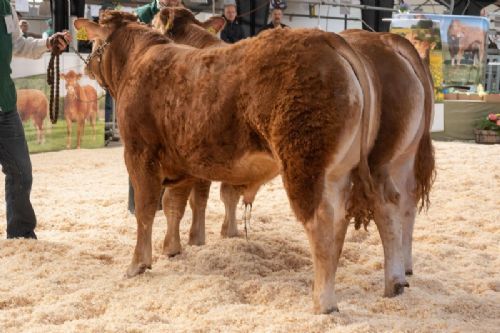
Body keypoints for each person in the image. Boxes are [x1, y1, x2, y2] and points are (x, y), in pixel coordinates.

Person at [1, 0, 70, 239]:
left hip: (5, 102)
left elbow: (18, 44)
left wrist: (47, 43)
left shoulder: (5, 7)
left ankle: (21, 233)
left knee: (21, 171)